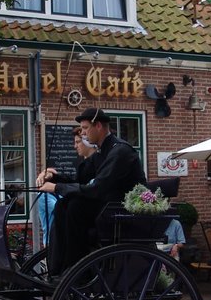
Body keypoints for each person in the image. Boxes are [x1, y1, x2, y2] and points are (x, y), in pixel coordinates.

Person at [38, 107, 146, 273]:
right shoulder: (102, 152)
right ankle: (58, 267)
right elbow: (79, 181)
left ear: (99, 126)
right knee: (63, 205)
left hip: (122, 213)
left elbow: (97, 189)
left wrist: (57, 187)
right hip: (107, 208)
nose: (83, 133)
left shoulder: (120, 151)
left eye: (86, 128)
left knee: (75, 207)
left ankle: (76, 269)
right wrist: (54, 177)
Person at [36, 126, 98, 245]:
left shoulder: (98, 162)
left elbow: (84, 189)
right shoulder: (84, 165)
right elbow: (75, 183)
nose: (75, 146)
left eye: (78, 142)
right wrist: (53, 177)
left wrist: (55, 186)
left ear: (88, 142)